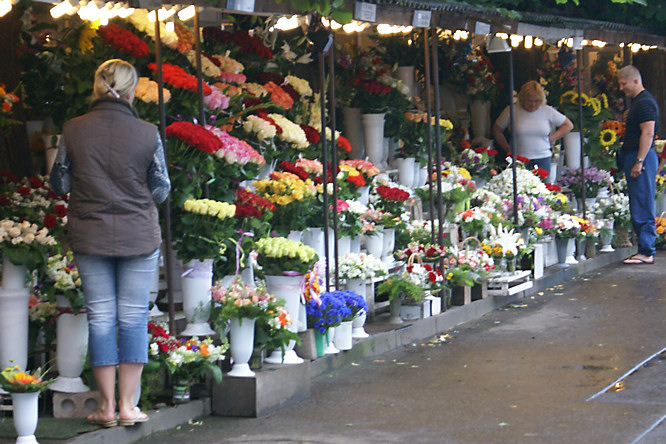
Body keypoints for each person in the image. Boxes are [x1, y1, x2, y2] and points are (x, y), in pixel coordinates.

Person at [49, 59, 171, 427]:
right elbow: (161, 189)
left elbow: (60, 184)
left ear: (96, 87)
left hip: (91, 234)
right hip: (138, 235)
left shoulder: (72, 130)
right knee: (133, 317)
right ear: (132, 90)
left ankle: (104, 408)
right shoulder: (148, 132)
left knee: (101, 318)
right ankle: (128, 406)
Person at [617, 65, 659, 265]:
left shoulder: (644, 103)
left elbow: (648, 133)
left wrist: (639, 161)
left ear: (635, 81)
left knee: (642, 201)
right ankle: (644, 248)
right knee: (639, 201)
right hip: (636, 155)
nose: (621, 87)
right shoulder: (639, 103)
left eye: (623, 83)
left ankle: (646, 249)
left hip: (640, 156)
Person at [492, 80, 573, 174]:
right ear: (523, 99)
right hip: (519, 159)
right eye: (530, 101)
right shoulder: (512, 110)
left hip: (543, 158)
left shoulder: (547, 110)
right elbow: (497, 130)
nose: (533, 104)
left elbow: (568, 125)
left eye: (536, 101)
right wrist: (507, 149)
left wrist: (552, 138)